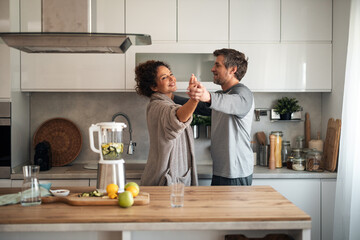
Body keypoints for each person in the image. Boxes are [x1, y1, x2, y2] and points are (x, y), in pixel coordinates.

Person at [173, 48, 255, 186]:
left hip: (236, 173)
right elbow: (201, 107)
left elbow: (232, 102)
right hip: (221, 171)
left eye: (218, 65)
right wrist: (171, 97)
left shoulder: (243, 94)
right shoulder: (221, 96)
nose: (212, 69)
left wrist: (208, 96)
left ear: (233, 69)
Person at [135, 60, 199, 186]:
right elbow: (177, 119)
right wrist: (194, 98)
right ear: (154, 87)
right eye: (164, 77)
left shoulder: (166, 103)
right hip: (165, 180)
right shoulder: (158, 106)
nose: (172, 78)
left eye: (171, 74)